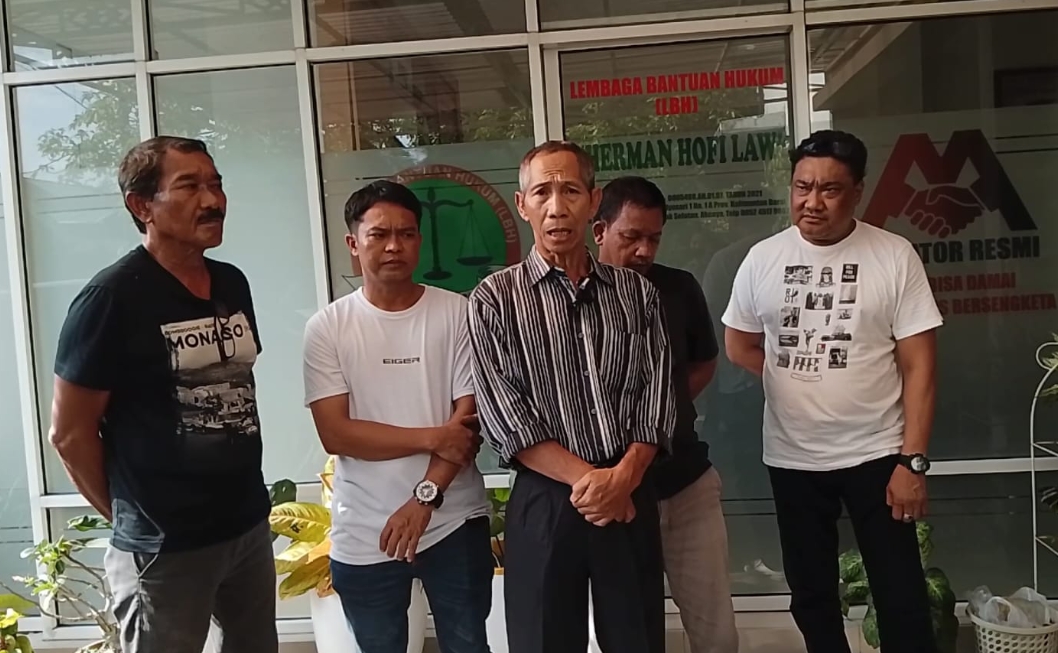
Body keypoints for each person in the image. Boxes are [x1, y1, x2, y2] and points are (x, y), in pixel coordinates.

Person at [48, 136, 277, 653]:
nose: (213, 200)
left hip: (245, 526)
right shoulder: (111, 298)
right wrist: (134, 519)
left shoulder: (231, 283)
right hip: (165, 546)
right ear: (141, 205)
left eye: (216, 184)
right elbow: (69, 433)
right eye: (190, 186)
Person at [722, 130, 942, 653]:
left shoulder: (893, 256)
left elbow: (920, 367)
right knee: (811, 595)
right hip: (793, 458)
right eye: (803, 187)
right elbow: (739, 345)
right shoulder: (762, 259)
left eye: (830, 189)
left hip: (878, 455)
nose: (812, 202)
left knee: (901, 595)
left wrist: (911, 463)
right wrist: (796, 378)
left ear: (857, 192)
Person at [468, 141, 676, 653]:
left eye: (570, 191)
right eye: (542, 192)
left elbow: (657, 394)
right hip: (546, 496)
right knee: (543, 639)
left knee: (637, 638)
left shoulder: (637, 294)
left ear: (593, 201)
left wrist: (623, 479)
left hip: (628, 488)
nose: (556, 207)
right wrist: (595, 485)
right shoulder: (494, 299)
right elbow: (505, 415)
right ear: (522, 205)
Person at [302, 180, 493, 653]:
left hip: (454, 520)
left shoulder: (458, 313)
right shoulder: (328, 328)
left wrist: (424, 499)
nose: (394, 246)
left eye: (406, 234)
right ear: (353, 243)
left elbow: (466, 425)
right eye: (379, 234)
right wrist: (433, 436)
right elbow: (337, 434)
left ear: (420, 241)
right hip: (365, 530)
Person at [592, 175, 738, 653]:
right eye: (631, 236)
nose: (644, 251)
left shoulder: (678, 288)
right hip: (617, 492)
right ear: (599, 231)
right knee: (633, 630)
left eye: (653, 238)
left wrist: (665, 411)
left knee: (716, 633)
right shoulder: (576, 297)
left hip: (686, 480)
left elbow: (704, 362)